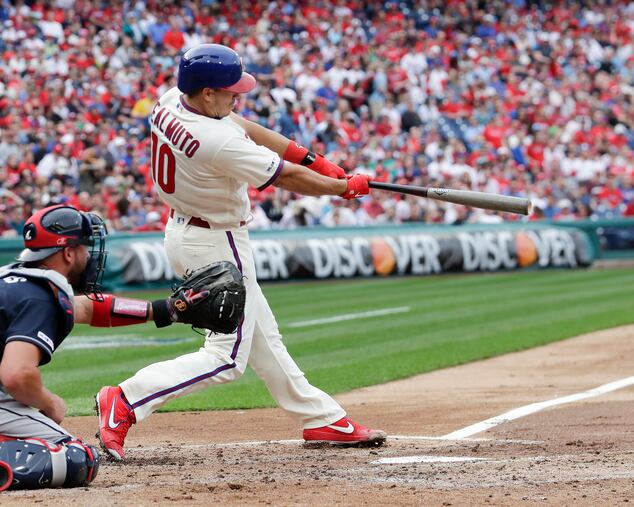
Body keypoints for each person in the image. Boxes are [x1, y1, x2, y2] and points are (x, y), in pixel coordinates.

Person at [95, 43, 385, 462]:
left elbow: (244, 124)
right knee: (228, 356)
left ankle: (320, 416)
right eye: (230, 90)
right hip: (216, 242)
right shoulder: (215, 140)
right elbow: (285, 178)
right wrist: (343, 187)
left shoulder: (173, 100)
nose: (238, 95)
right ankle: (125, 400)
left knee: (264, 337)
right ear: (208, 92)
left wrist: (315, 160)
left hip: (189, 230)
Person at [0, 204, 210, 490]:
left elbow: (89, 309)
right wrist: (49, 403)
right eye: (85, 248)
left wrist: (166, 310)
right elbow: (17, 375)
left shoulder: (16, 283)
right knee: (77, 458)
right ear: (68, 253)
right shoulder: (39, 297)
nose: (90, 256)